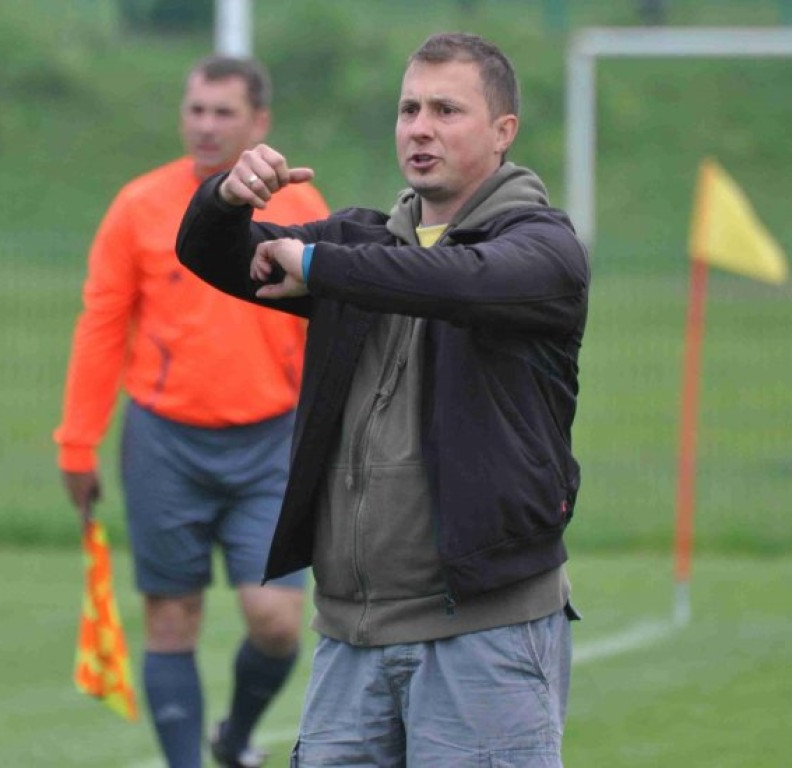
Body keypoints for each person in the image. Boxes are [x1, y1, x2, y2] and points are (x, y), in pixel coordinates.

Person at [176, 33, 589, 767]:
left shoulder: (543, 251)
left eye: (446, 110)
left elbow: (460, 281)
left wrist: (319, 266)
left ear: (503, 132)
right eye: (409, 110)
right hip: (351, 639)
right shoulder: (359, 245)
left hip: (485, 635)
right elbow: (212, 254)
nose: (420, 128)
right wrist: (225, 200)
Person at [54, 55, 329, 768]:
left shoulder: (302, 206)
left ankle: (234, 738)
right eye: (196, 109)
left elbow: (331, 327)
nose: (206, 125)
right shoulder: (139, 205)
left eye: (223, 112)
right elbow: (101, 325)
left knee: (276, 620)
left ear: (260, 122)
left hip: (270, 443)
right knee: (171, 618)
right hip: (165, 443)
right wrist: (77, 443)